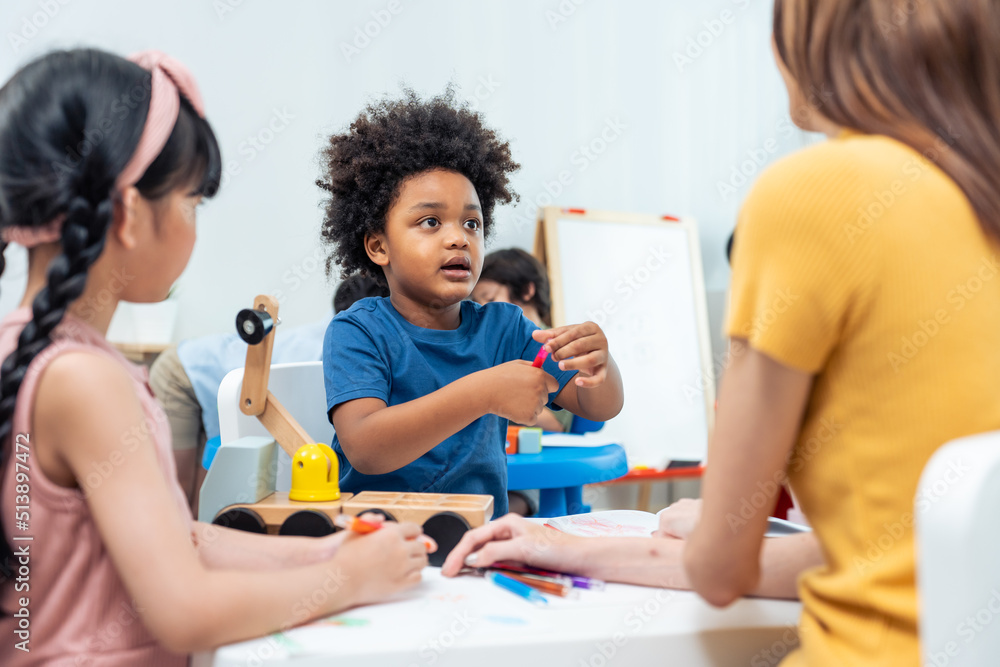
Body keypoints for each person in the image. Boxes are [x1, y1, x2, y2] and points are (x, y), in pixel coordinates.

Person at [451, 2, 1000, 665]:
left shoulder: (814, 194)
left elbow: (720, 568)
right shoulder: (976, 196)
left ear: (813, 27)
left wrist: (708, 529)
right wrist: (565, 545)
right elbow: (866, 552)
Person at [0, 49, 431, 665]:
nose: (195, 225)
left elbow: (182, 540)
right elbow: (185, 612)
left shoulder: (31, 353)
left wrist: (332, 551)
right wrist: (354, 580)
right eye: (191, 202)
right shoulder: (85, 380)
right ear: (126, 213)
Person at [318, 89, 625, 518]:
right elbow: (367, 448)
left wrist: (600, 368)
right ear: (377, 245)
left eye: (472, 223)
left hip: (478, 541)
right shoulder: (359, 331)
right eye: (430, 222)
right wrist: (483, 393)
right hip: (378, 542)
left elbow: (599, 406)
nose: (459, 237)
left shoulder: (506, 328)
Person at [149, 274, 388, 509]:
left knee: (204, 495)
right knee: (176, 490)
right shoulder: (326, 350)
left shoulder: (339, 335)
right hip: (183, 374)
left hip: (223, 384)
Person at [471, 248, 573, 516]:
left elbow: (557, 423)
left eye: (489, 299)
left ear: (526, 291)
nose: (482, 310)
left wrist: (493, 396)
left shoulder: (555, 347)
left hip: (533, 473)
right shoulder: (488, 346)